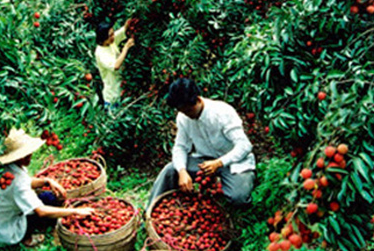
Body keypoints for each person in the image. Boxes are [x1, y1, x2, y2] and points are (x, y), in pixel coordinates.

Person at [147, 77, 256, 210]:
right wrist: (182, 172)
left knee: (238, 197)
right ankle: (149, 212)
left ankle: (232, 185)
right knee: (170, 170)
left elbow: (245, 146)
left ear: (198, 100)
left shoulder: (222, 112)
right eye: (182, 112)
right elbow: (180, 147)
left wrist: (219, 163)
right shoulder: (183, 117)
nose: (186, 115)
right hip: (204, 161)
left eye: (188, 111)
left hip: (233, 163)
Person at [0, 128, 94, 248]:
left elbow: (24, 183)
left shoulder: (6, 169)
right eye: (24, 154)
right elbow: (41, 211)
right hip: (6, 233)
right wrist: (74, 211)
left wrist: (47, 181)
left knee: (47, 197)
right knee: (49, 201)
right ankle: (27, 238)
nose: (29, 156)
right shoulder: (18, 182)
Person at [94, 19, 135, 108]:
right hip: (112, 97)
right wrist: (126, 48)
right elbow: (116, 66)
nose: (113, 36)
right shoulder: (101, 53)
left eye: (113, 33)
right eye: (110, 35)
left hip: (121, 91)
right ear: (103, 38)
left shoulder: (110, 42)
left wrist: (128, 24)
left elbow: (122, 31)